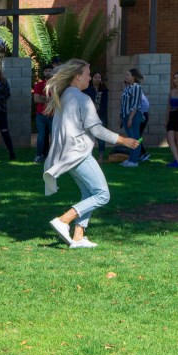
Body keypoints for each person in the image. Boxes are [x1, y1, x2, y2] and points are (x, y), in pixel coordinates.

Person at [44, 60, 140, 249]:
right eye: (88, 74)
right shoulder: (82, 98)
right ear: (78, 76)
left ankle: (78, 236)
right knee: (103, 194)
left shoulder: (64, 96)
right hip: (78, 155)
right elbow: (96, 129)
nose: (90, 77)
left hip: (67, 156)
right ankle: (64, 220)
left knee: (89, 193)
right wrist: (123, 140)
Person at [119, 68, 145, 167]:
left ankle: (134, 161)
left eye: (128, 75)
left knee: (135, 138)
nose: (126, 77)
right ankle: (130, 159)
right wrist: (122, 116)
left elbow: (136, 104)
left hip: (133, 116)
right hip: (126, 115)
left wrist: (130, 118)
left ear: (133, 77)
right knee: (130, 139)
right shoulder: (127, 88)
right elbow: (123, 104)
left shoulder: (136, 87)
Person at [82, 71, 109, 163]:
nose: (97, 79)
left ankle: (101, 156)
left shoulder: (104, 90)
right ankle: (89, 155)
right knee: (89, 135)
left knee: (101, 136)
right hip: (89, 116)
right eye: (95, 77)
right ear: (92, 78)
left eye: (99, 78)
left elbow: (105, 104)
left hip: (100, 116)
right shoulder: (87, 89)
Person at [32, 63, 53, 162]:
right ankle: (38, 155)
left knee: (55, 136)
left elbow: (58, 99)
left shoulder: (56, 85)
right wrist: (49, 99)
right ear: (43, 73)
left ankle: (54, 156)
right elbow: (36, 99)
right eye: (46, 71)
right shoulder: (39, 85)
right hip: (41, 114)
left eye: (50, 70)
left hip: (53, 114)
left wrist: (43, 97)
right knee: (41, 135)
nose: (48, 72)